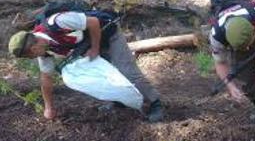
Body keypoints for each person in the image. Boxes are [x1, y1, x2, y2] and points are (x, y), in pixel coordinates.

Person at [8, 10, 164, 122]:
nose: (35, 58)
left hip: (108, 34)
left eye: (31, 55)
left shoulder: (57, 22)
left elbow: (93, 22)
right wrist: (49, 107)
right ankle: (119, 101)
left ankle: (155, 103)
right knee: (105, 76)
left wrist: (95, 48)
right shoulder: (44, 51)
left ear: (33, 48)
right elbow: (46, 78)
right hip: (89, 45)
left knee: (127, 71)